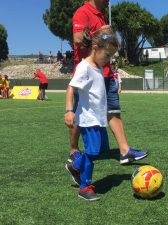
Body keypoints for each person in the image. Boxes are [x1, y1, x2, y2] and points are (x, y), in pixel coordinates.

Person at [66, 0, 147, 174]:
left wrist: (107, 36)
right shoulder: (83, 12)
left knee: (113, 111)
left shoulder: (101, 14)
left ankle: (124, 151)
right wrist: (102, 33)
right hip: (89, 74)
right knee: (81, 114)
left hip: (107, 72)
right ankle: (73, 151)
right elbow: (78, 39)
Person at [65, 26, 118, 201]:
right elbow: (71, 87)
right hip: (88, 119)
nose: (108, 60)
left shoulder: (98, 67)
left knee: (102, 150)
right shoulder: (84, 67)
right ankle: (84, 187)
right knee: (93, 152)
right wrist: (69, 111)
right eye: (107, 55)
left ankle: (76, 166)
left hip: (99, 118)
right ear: (95, 48)